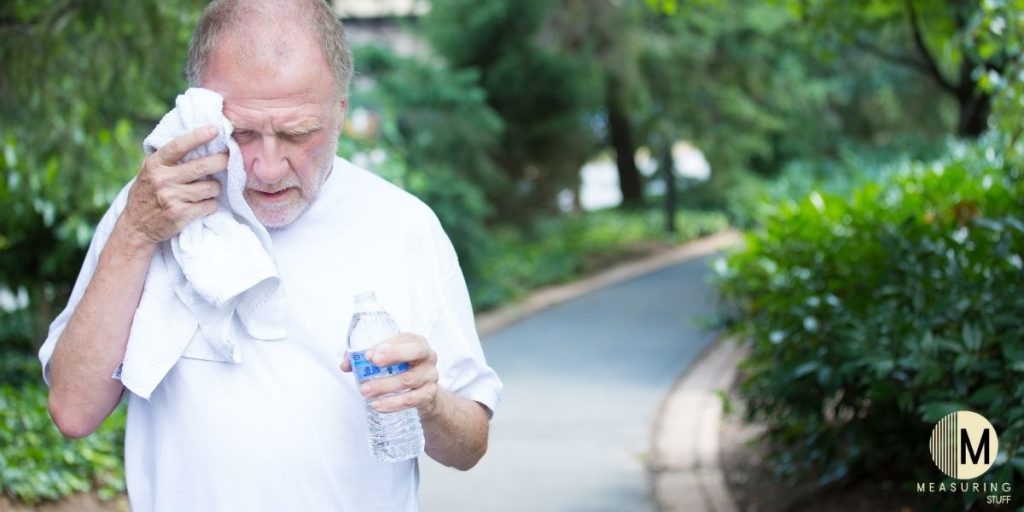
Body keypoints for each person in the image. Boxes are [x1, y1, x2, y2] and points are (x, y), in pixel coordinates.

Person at [37, 0, 503, 510]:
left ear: (340, 112)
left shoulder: (403, 226)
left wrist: (430, 403)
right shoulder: (152, 208)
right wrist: (136, 232)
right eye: (240, 134)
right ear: (201, 111)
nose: (266, 165)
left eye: (298, 134)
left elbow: (470, 445)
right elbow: (72, 411)